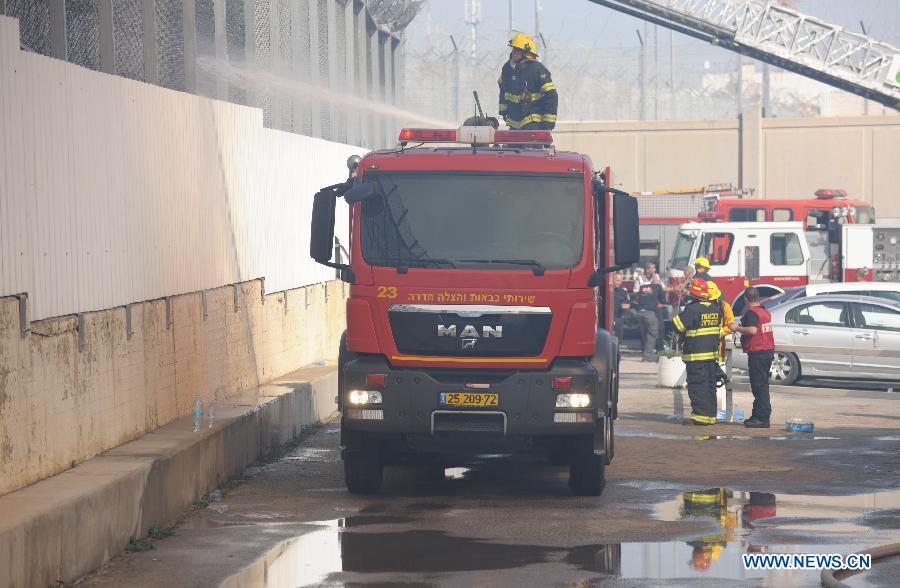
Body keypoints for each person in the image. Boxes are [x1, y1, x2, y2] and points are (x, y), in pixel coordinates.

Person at [672, 279, 723, 425]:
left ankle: (700, 417)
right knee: (709, 386)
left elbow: (678, 326)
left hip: (696, 356)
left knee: (697, 386)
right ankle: (710, 417)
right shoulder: (715, 308)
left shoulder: (692, 309)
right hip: (711, 356)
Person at [729, 287, 774, 428]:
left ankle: (762, 418)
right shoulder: (765, 311)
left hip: (758, 353)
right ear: (758, 297)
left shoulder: (752, 313)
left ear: (746, 299)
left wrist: (736, 328)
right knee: (761, 385)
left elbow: (753, 330)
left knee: (759, 386)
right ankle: (757, 415)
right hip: (767, 351)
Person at [498, 33, 558, 130]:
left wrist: (548, 122)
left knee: (530, 146)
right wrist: (503, 111)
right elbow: (503, 91)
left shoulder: (537, 70)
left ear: (526, 53)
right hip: (514, 123)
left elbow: (551, 96)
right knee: (511, 146)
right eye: (513, 49)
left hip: (533, 124)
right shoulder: (507, 69)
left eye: (517, 50)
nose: (513, 52)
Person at [634, 263, 667, 362]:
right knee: (652, 333)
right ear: (646, 269)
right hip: (649, 311)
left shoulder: (656, 278)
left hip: (644, 310)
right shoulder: (640, 279)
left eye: (654, 268)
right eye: (651, 268)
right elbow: (636, 293)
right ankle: (648, 354)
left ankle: (647, 353)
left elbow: (663, 288)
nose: (653, 270)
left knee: (648, 332)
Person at [612, 272, 631, 342]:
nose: (619, 283)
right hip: (608, 317)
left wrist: (625, 306)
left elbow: (628, 304)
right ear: (612, 279)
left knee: (618, 337)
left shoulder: (623, 292)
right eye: (617, 280)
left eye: (620, 281)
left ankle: (617, 352)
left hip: (618, 317)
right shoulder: (606, 290)